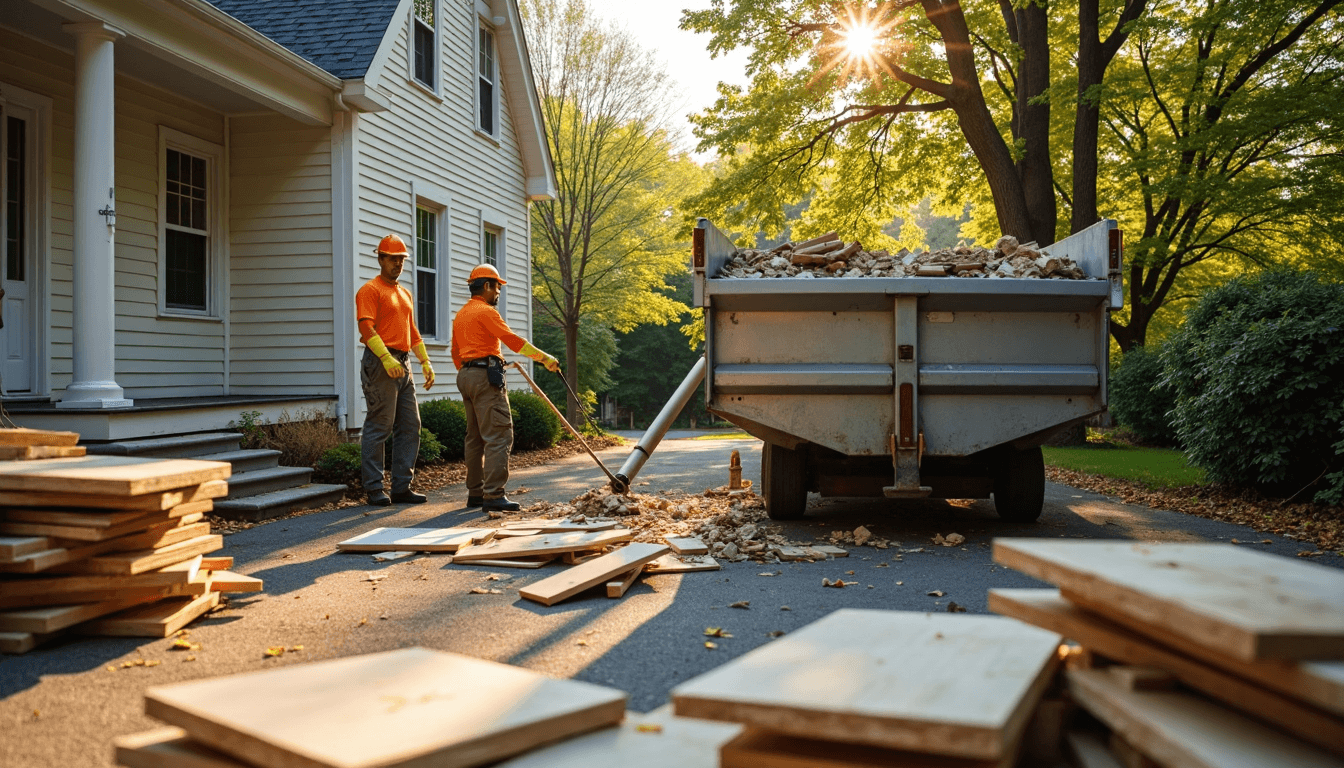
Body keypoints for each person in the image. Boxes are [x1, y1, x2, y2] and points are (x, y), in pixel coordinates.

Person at [452, 264, 559, 512]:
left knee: (475, 437)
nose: (499, 292)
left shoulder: (461, 314)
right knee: (499, 435)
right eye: (497, 286)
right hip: (484, 378)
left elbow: (455, 352)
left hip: (466, 375)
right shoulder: (486, 312)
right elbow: (512, 340)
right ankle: (493, 495)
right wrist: (545, 359)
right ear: (487, 286)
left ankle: (476, 493)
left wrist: (468, 373)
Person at [356, 234, 436, 506]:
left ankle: (402, 486)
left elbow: (412, 331)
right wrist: (386, 358)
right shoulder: (370, 290)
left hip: (404, 364)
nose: (398, 264)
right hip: (380, 362)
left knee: (411, 425)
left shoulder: (404, 293)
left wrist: (424, 361)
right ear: (380, 258)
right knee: (380, 425)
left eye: (401, 260)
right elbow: (366, 327)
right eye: (393, 259)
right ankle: (375, 488)